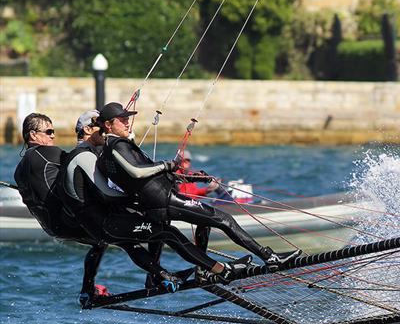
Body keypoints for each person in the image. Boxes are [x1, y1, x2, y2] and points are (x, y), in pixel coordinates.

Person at [57, 109, 253, 295]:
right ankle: (219, 270)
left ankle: (157, 277)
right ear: (88, 130)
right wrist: (141, 198)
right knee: (167, 232)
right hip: (102, 222)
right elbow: (107, 192)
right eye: (98, 125)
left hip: (102, 221)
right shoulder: (85, 156)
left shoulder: (94, 153)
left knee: (150, 233)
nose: (104, 129)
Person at [96, 102, 298, 271]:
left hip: (153, 203)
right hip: (163, 200)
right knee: (224, 220)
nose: (127, 122)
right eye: (121, 120)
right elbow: (137, 172)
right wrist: (167, 164)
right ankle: (270, 258)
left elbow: (139, 179)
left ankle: (177, 275)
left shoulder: (108, 152)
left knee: (197, 225)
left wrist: (188, 178)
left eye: (127, 118)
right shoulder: (117, 146)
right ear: (108, 124)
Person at [13, 113, 111, 305]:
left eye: (53, 132)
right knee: (114, 231)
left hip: (53, 229)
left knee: (100, 241)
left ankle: (87, 291)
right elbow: (81, 163)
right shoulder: (48, 153)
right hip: (69, 220)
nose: (53, 136)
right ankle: (157, 274)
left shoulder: (19, 169)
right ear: (33, 135)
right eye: (48, 132)